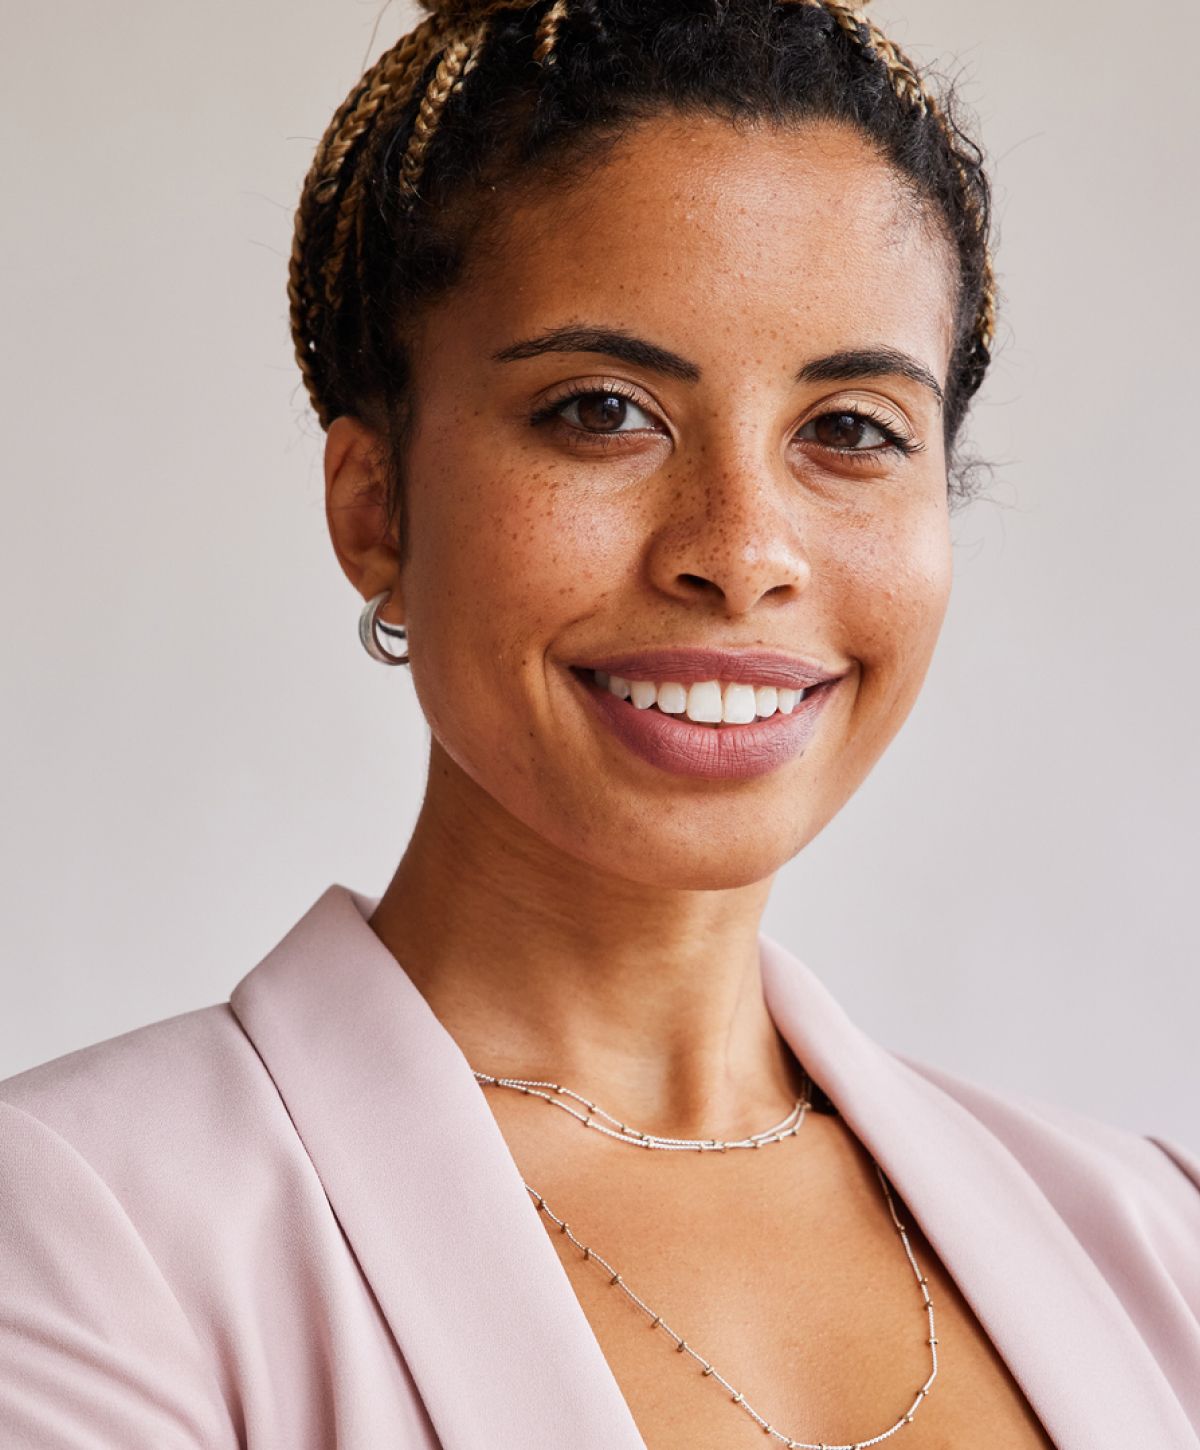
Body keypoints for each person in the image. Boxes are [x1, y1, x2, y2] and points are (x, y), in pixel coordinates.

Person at [1, 1, 1197, 1446]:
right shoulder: (82, 1239)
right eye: (602, 412)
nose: (740, 551)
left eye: (851, 428)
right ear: (376, 508)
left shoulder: (1160, 1249)